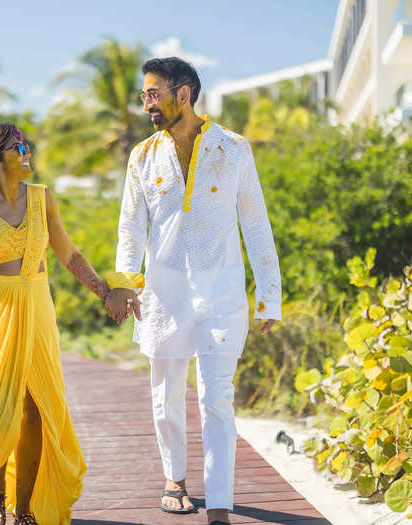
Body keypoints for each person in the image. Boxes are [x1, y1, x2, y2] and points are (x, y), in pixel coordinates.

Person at [105, 57, 282, 523]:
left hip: (221, 292)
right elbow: (130, 229)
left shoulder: (234, 148)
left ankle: (219, 502)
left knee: (215, 396)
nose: (147, 104)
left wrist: (269, 295)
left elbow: (256, 223)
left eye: (153, 93)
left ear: (184, 93)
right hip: (162, 294)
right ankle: (174, 478)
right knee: (165, 394)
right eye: (145, 94)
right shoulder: (142, 155)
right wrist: (125, 285)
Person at [0, 124, 116, 525]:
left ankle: (26, 508)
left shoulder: (42, 199)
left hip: (36, 303)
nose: (28, 152)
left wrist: (105, 292)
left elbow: (67, 253)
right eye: (21, 147)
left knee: (34, 409)